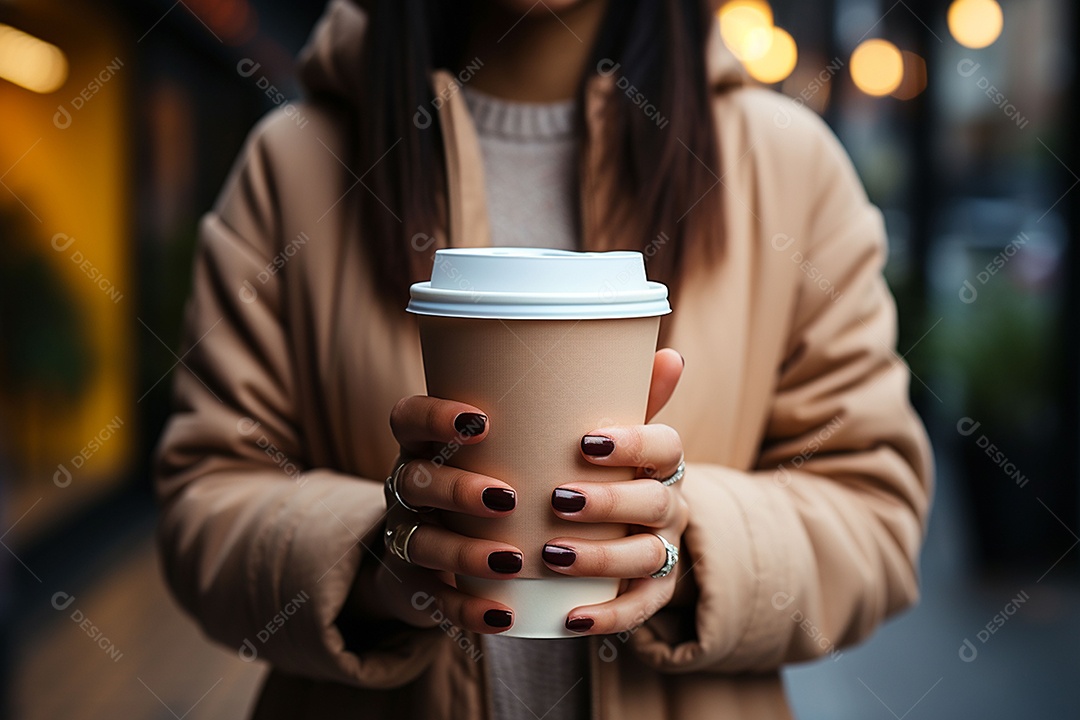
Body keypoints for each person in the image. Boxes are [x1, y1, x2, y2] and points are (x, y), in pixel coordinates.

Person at [154, 0, 933, 718]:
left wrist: (687, 543)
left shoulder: (787, 167)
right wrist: (371, 561)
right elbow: (204, 503)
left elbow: (876, 512)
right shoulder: (295, 164)